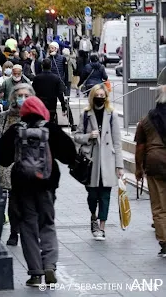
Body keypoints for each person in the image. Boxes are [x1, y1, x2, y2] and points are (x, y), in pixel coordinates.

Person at [0, 97, 77, 288]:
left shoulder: (16, 130)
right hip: (46, 186)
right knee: (47, 224)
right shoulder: (50, 129)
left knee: (27, 228)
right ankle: (49, 264)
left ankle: (35, 273)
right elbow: (69, 154)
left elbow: (2, 157)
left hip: (22, 187)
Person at [73, 84, 124, 241]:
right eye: (97, 94)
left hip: (108, 160)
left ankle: (101, 227)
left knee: (105, 196)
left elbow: (117, 142)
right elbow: (77, 136)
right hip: (92, 161)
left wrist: (119, 166)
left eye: (103, 95)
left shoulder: (112, 114)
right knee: (92, 195)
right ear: (92, 96)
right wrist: (89, 136)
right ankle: (93, 216)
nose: (100, 97)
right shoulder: (86, 114)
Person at [0, 83, 36, 247]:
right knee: (8, 200)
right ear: (13, 97)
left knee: (19, 202)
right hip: (7, 164)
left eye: (26, 96)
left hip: (26, 165)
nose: (23, 99)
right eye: (20, 96)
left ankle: (17, 230)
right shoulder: (4, 116)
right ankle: (12, 231)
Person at [134, 86, 166, 257]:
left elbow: (140, 147)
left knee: (159, 205)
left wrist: (138, 168)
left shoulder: (146, 120)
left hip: (154, 163)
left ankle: (164, 242)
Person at [32, 59, 67, 124]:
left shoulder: (37, 78)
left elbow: (33, 92)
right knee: (51, 123)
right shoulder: (56, 78)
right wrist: (63, 107)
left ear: (42, 66)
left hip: (40, 104)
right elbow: (60, 93)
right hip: (52, 105)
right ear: (51, 66)